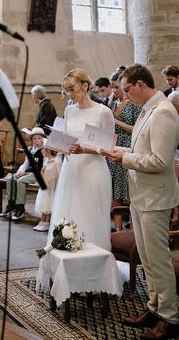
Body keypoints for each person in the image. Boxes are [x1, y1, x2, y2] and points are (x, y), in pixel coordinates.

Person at [101, 64, 179, 340]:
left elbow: (160, 161)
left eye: (126, 89)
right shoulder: (149, 110)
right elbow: (141, 150)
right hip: (142, 194)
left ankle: (170, 318)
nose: (125, 95)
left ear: (139, 84)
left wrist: (122, 159)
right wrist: (119, 150)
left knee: (159, 261)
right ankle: (153, 308)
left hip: (156, 197)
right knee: (148, 260)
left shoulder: (163, 112)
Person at [48, 68, 113, 251]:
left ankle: (92, 264)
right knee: (68, 213)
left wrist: (83, 149)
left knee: (88, 216)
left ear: (85, 86)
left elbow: (108, 148)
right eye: (65, 90)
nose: (68, 94)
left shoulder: (103, 112)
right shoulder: (69, 110)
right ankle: (69, 262)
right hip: (71, 168)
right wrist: (56, 145)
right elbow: (65, 138)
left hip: (92, 169)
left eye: (71, 89)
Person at [108, 70, 142, 230]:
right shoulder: (114, 104)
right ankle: (118, 228)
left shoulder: (133, 104)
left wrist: (116, 122)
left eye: (117, 87)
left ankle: (133, 226)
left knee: (126, 188)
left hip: (128, 146)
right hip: (114, 145)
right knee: (115, 189)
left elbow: (136, 128)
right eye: (113, 87)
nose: (114, 90)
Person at [0, 127, 45, 221]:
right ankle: (11, 204)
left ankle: (20, 208)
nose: (37, 140)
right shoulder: (30, 149)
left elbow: (45, 164)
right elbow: (26, 163)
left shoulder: (44, 150)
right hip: (28, 172)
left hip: (37, 174)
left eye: (39, 138)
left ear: (43, 139)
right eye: (34, 138)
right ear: (32, 140)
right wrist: (20, 171)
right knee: (11, 179)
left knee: (20, 181)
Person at [32, 146, 61, 232]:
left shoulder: (56, 162)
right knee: (43, 204)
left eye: (45, 149)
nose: (43, 151)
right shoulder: (46, 160)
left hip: (51, 187)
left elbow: (59, 175)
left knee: (48, 204)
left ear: (49, 150)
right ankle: (42, 221)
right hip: (44, 186)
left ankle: (46, 222)